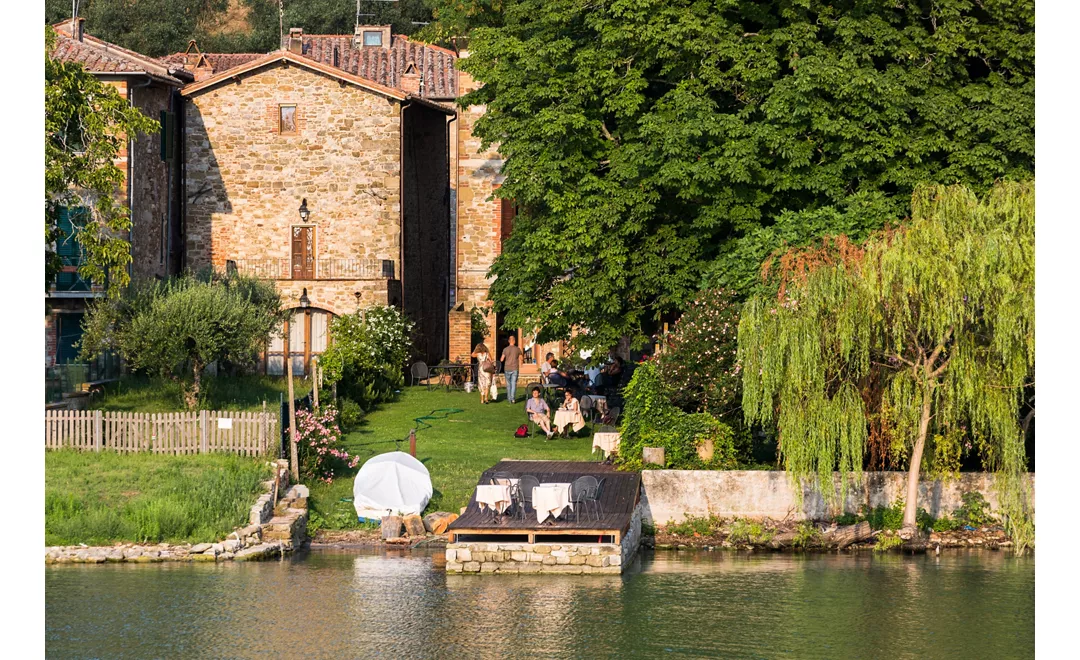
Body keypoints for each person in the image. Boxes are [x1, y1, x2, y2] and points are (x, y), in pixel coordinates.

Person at [501, 335, 522, 404]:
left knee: (508, 384)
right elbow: (521, 358)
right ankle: (513, 398)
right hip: (515, 368)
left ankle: (509, 398)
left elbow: (502, 359)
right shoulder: (518, 349)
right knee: (513, 384)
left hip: (507, 368)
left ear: (509, 341)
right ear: (514, 341)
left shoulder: (505, 349)